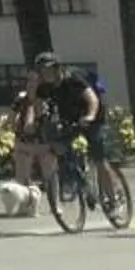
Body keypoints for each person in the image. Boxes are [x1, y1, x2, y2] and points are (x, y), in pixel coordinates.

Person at [33, 52, 110, 181]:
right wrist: (39, 120)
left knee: (99, 160)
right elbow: (38, 104)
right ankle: (72, 178)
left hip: (93, 117)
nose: (46, 73)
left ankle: (112, 198)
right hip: (70, 118)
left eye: (49, 69)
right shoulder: (44, 87)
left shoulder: (74, 79)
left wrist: (90, 116)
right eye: (43, 71)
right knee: (58, 144)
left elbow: (92, 100)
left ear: (57, 68)